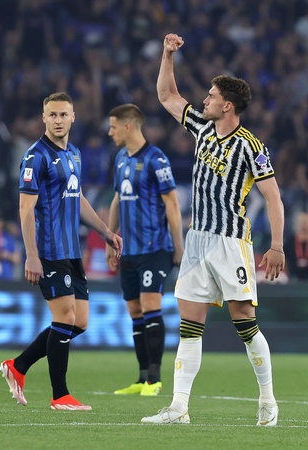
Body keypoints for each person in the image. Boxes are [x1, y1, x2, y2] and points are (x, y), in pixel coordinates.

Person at [141, 34, 285, 426]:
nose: (204, 100)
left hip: (230, 242)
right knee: (189, 326)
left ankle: (268, 402)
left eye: (211, 95)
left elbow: (273, 197)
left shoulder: (251, 147)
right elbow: (167, 96)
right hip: (198, 240)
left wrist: (277, 245)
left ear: (228, 106)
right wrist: (167, 55)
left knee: (245, 323)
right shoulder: (202, 128)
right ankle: (179, 408)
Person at [0, 92, 122, 411]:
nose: (57, 120)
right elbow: (26, 209)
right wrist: (31, 254)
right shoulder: (35, 156)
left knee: (79, 322)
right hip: (49, 250)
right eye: (52, 115)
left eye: (63, 114)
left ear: (73, 117)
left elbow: (76, 198)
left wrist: (106, 232)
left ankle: (18, 366)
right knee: (65, 316)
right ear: (43, 118)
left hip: (72, 251)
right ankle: (60, 395)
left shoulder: (74, 154)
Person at [105, 103, 184, 396]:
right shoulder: (120, 159)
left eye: (114, 127)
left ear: (128, 126)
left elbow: (172, 204)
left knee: (151, 307)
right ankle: (141, 378)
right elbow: (117, 199)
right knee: (135, 312)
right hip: (129, 251)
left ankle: (155, 379)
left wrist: (178, 246)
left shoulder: (156, 159)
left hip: (155, 248)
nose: (110, 132)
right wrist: (110, 238)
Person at [284, 212, 308, 281]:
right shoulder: (290, 241)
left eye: (307, 222)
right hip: (292, 277)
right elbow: (285, 259)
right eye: (302, 222)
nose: (304, 225)